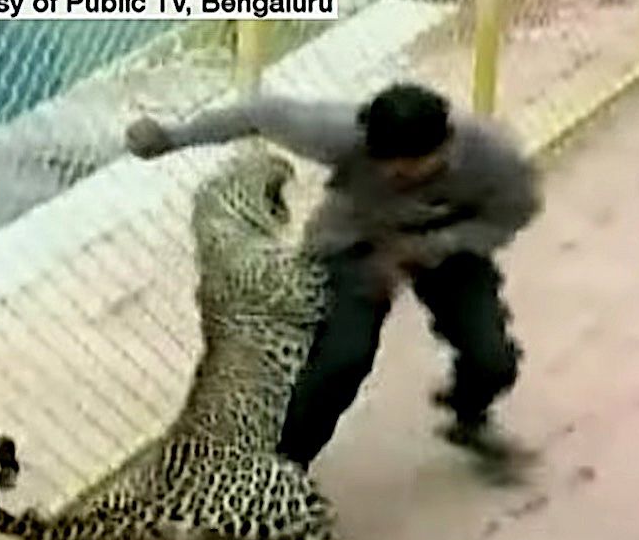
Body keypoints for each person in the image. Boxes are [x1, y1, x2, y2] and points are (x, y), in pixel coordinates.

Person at [125, 82, 543, 485]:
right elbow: (259, 113)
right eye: (384, 164)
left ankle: (468, 415)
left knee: (492, 358)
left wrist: (426, 248)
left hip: (450, 245)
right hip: (355, 244)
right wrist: (172, 137)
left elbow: (511, 216)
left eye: (409, 168)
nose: (393, 173)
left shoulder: (493, 159)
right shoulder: (342, 132)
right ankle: (275, 471)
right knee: (342, 359)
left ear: (445, 147)